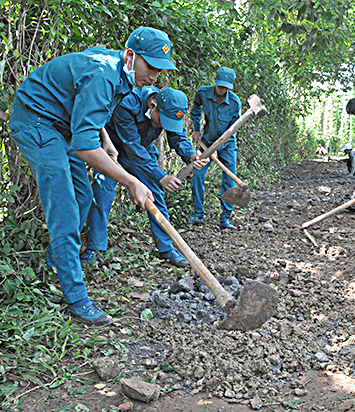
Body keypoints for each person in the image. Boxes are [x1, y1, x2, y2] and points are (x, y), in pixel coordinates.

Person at [9, 27, 178, 326]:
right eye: (150, 67)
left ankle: (57, 262)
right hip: (36, 122)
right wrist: (131, 181)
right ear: (131, 56)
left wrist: (107, 141)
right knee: (64, 207)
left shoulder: (120, 71)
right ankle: (76, 298)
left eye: (159, 70)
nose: (153, 76)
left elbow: (88, 111)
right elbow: (85, 148)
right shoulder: (104, 74)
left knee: (84, 195)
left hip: (62, 125)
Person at [82, 87, 208, 267]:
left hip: (141, 149)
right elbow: (133, 150)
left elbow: (178, 137)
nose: (164, 127)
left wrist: (191, 155)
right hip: (113, 151)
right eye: (162, 121)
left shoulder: (168, 108)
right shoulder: (127, 104)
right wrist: (161, 176)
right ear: (153, 105)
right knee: (103, 192)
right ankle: (95, 247)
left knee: (155, 193)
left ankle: (166, 248)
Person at [189, 67, 242, 229]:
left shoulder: (234, 102)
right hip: (207, 141)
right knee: (197, 174)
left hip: (228, 145)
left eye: (226, 87)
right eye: (220, 86)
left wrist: (220, 147)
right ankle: (198, 214)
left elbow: (233, 128)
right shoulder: (203, 93)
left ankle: (225, 218)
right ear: (215, 81)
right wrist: (197, 129)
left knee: (229, 179)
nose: (223, 90)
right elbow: (195, 110)